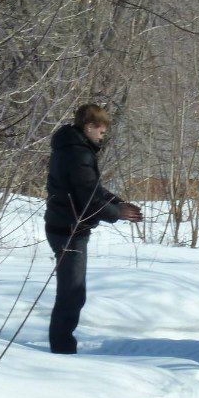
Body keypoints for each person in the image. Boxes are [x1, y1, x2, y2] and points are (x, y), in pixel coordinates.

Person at [44, 104, 143, 354]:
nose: (102, 136)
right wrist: (116, 213)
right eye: (101, 130)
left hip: (65, 226)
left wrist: (118, 203)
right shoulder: (77, 153)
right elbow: (87, 199)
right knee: (72, 294)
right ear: (89, 127)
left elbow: (94, 190)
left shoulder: (74, 148)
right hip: (68, 229)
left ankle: (62, 346)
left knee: (73, 292)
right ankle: (62, 351)